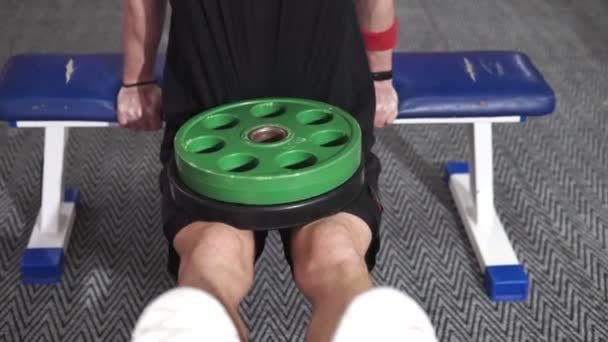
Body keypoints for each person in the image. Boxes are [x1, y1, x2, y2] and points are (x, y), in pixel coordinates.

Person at [117, 0, 437, 341]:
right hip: (325, 91)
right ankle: (360, 323)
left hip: (213, 94)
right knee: (334, 249)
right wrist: (380, 75)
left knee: (213, 251)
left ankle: (200, 317)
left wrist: (138, 80)